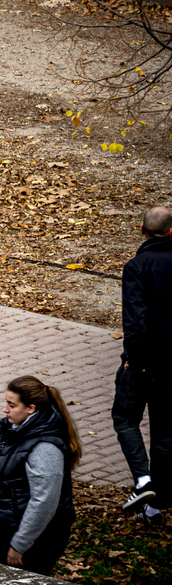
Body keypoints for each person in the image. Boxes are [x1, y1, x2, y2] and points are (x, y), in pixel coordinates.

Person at [0, 376, 80, 575]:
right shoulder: (9, 431)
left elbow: (44, 502)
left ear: (31, 409)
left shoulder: (45, 448)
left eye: (11, 404)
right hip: (5, 527)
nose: (5, 409)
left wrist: (20, 545)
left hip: (38, 538)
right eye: (6, 403)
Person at [113, 205, 172, 521]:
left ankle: (144, 481)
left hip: (144, 366)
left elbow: (136, 323)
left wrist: (135, 362)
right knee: (165, 434)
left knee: (125, 419)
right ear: (171, 232)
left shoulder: (137, 267)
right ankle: (155, 505)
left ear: (141, 229)